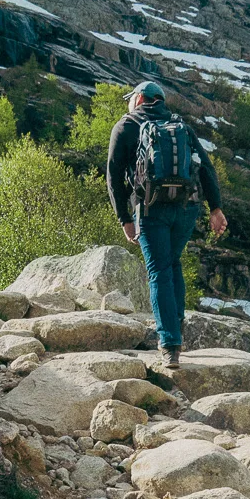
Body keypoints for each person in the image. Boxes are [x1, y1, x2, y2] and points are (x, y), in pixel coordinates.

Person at [106, 81, 227, 368]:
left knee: (158, 270)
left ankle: (170, 344)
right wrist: (216, 208)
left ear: (138, 99)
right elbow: (206, 167)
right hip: (188, 207)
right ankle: (177, 327)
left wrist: (124, 218)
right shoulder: (180, 125)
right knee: (172, 263)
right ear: (160, 101)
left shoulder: (125, 126)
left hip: (150, 208)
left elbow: (113, 177)